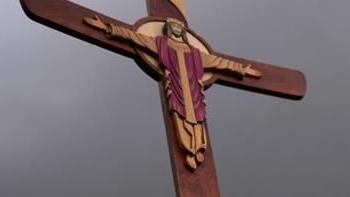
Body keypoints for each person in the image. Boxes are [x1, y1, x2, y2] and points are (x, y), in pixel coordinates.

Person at [84, 15, 261, 170]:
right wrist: (108, 28)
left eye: (179, 26)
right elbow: (136, 38)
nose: (177, 28)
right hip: (176, 87)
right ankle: (188, 149)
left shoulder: (195, 53)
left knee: (198, 117)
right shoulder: (160, 44)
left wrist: (241, 69)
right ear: (168, 28)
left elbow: (218, 62)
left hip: (194, 90)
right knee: (180, 114)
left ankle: (199, 147)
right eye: (174, 26)